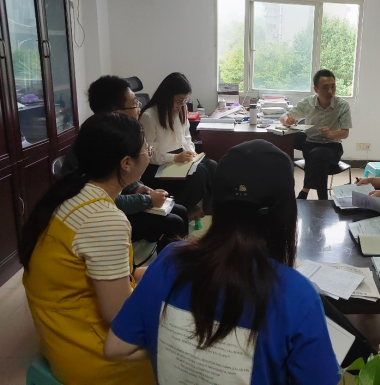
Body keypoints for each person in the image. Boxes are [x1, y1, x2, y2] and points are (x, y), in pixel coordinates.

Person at [103, 140, 341, 384]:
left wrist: (182, 351)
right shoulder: (296, 294)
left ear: (216, 204)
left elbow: (116, 348)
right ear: (287, 211)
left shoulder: (170, 260)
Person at [20, 113, 154, 384]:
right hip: (91, 354)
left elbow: (96, 274)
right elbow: (119, 316)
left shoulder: (71, 194)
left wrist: (156, 275)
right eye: (146, 148)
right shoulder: (103, 219)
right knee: (188, 349)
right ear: (126, 163)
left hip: (61, 337)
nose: (149, 152)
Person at [61, 75, 188, 254]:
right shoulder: (100, 143)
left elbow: (117, 183)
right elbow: (106, 198)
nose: (139, 108)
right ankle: (167, 268)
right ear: (116, 111)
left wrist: (137, 187)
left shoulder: (114, 134)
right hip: (101, 214)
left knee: (180, 211)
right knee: (174, 222)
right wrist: (147, 200)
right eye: (135, 103)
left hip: (115, 201)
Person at [139, 72, 217, 219]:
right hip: (159, 166)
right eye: (179, 101)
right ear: (167, 96)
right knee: (200, 173)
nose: (181, 105)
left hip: (179, 159)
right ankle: (182, 211)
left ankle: (210, 212)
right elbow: (149, 155)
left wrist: (191, 153)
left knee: (212, 166)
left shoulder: (181, 110)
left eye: (184, 100)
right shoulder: (149, 116)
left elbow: (186, 137)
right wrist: (175, 158)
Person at [280, 69, 352, 200]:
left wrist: (330, 134)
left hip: (332, 147)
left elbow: (345, 133)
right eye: (325, 87)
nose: (330, 91)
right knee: (289, 140)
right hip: (311, 144)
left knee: (317, 155)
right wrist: (288, 120)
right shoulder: (307, 103)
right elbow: (284, 117)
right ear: (316, 89)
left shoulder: (342, 105)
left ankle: (306, 191)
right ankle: (321, 200)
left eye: (333, 86)